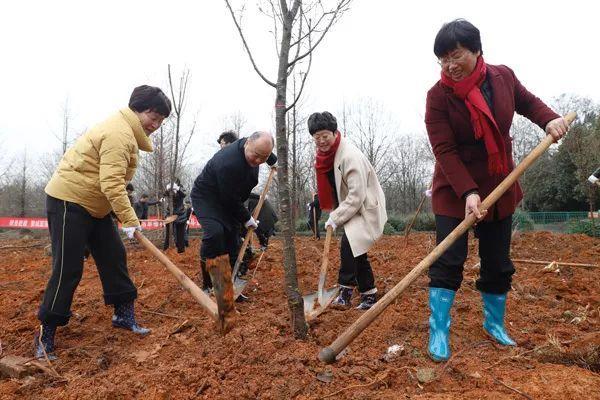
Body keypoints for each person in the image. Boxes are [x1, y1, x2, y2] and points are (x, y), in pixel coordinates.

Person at [424, 19, 569, 362]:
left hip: (499, 182)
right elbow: (444, 151)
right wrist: (468, 193)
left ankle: (494, 324)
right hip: (454, 187)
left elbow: (529, 103)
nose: (449, 65)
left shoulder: (503, 77)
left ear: (476, 50)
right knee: (448, 260)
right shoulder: (437, 97)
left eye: (455, 55)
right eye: (442, 59)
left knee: (497, 261)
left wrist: (549, 119)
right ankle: (439, 328)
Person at [35, 85, 172, 359]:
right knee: (68, 267)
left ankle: (123, 316)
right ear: (137, 110)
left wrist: (124, 217)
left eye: (160, 121)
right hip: (69, 200)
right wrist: (130, 220)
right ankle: (45, 335)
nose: (155, 125)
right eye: (152, 117)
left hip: (95, 204)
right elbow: (112, 183)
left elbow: (110, 183)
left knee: (113, 255)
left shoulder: (128, 133)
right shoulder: (118, 133)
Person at [308, 112, 387, 310]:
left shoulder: (349, 156)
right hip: (351, 207)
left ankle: (346, 291)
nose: (321, 141)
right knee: (356, 251)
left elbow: (356, 195)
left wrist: (335, 217)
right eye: (316, 138)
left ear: (335, 133)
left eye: (325, 135)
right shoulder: (327, 156)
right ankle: (369, 295)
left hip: (364, 206)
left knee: (349, 247)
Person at [191, 132, 277, 309]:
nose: (258, 161)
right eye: (256, 155)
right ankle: (208, 284)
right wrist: (247, 218)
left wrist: (272, 160)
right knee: (216, 233)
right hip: (208, 198)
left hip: (230, 199)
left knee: (232, 241)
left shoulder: (256, 148)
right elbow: (229, 198)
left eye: (264, 157)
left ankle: (226, 288)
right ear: (247, 144)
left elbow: (264, 151)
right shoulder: (228, 162)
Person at [163, 178, 187, 253]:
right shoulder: (168, 189)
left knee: (180, 234)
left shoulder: (180, 189)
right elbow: (164, 194)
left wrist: (178, 189)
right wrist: (167, 190)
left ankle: (181, 250)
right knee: (168, 233)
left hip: (180, 214)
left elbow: (184, 195)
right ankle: (166, 249)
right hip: (169, 213)